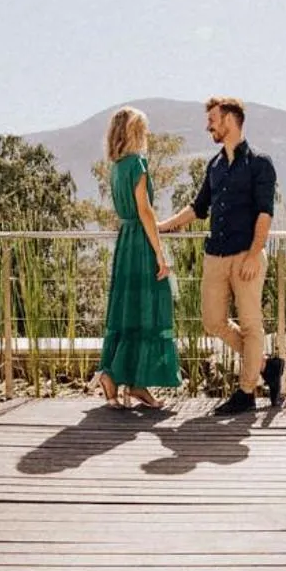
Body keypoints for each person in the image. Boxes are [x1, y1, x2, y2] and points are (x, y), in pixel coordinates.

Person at [159, 96, 279, 414]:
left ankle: (247, 392)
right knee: (212, 321)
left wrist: (255, 255)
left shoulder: (260, 163)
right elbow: (198, 208)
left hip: (246, 256)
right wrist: (161, 227)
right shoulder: (214, 165)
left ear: (229, 119)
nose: (208, 124)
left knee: (251, 326)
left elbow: (265, 214)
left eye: (212, 118)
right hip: (215, 256)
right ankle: (266, 366)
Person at [96, 106, 180, 410]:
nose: (146, 135)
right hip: (141, 245)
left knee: (127, 309)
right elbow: (145, 210)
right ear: (134, 132)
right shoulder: (138, 164)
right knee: (148, 308)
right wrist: (160, 253)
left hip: (125, 242)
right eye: (142, 129)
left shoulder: (117, 167)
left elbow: (131, 212)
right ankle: (128, 380)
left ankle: (123, 381)